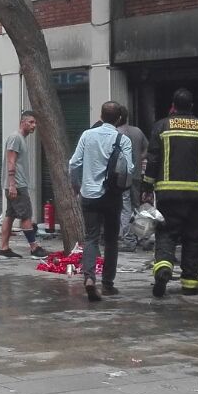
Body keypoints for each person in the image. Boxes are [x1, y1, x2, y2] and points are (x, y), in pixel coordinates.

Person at [143, 88, 198, 297]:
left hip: (168, 194)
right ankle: (191, 283)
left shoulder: (162, 126)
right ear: (191, 106)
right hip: (197, 195)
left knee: (166, 233)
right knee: (193, 238)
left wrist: (147, 187)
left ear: (173, 106)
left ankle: (163, 269)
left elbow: (153, 159)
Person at [69, 100, 134, 302]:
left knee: (91, 237)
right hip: (111, 197)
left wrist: (76, 185)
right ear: (119, 119)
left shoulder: (87, 135)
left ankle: (89, 279)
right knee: (111, 240)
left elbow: (73, 163)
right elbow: (129, 169)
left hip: (88, 195)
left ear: (101, 115)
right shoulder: (122, 140)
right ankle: (108, 284)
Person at [0, 109, 46, 259]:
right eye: (31, 122)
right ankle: (34, 249)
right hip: (17, 185)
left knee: (10, 215)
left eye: (35, 123)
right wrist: (12, 184)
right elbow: (11, 161)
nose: (34, 126)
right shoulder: (15, 138)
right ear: (22, 122)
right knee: (26, 216)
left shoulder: (20, 139)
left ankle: (4, 250)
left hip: (15, 184)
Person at [115, 107, 149, 249]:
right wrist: (139, 158)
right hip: (135, 175)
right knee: (137, 207)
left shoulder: (116, 133)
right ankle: (143, 238)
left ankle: (129, 240)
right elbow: (147, 148)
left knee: (125, 207)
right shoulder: (138, 131)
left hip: (122, 177)